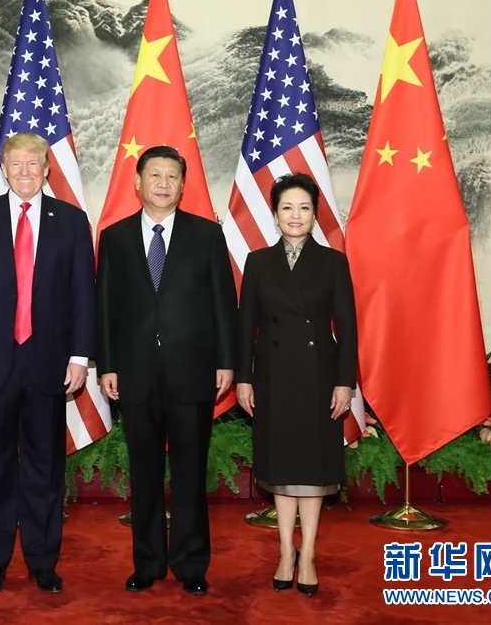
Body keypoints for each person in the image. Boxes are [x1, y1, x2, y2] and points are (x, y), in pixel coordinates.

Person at [0, 132, 95, 596]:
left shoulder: (71, 221)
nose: (25, 172)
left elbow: (83, 295)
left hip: (49, 363)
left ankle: (42, 562)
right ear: (4, 169)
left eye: (34, 164)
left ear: (47, 169)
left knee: (45, 468)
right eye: (16, 164)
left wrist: (79, 357)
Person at [96, 145, 239, 596]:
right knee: (144, 473)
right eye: (154, 175)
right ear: (137, 183)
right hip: (135, 372)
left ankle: (191, 563)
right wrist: (107, 365)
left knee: (189, 472)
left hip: (193, 370)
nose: (162, 183)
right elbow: (105, 308)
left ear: (182, 185)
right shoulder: (114, 237)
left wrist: (227, 361)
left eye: (171, 176)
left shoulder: (206, 235)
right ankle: (148, 562)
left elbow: (224, 303)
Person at [236, 172, 358, 596]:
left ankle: (308, 556)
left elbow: (348, 328)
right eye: (287, 207)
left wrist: (345, 383)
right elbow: (246, 326)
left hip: (318, 376)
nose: (295, 215)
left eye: (304, 208)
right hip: (272, 375)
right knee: (283, 467)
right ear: (275, 214)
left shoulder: (333, 262)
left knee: (311, 468)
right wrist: (244, 378)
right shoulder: (258, 262)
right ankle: (286, 551)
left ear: (314, 215)